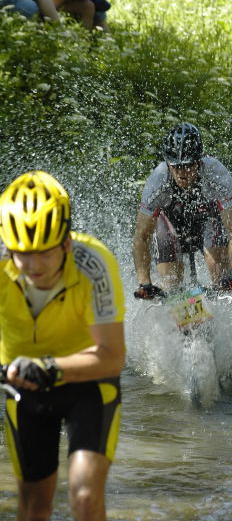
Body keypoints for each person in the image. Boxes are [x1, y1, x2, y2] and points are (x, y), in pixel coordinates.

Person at [0, 170, 125, 520]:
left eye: (44, 252)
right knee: (34, 507)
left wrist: (49, 368)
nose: (32, 265)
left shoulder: (94, 265)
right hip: (23, 388)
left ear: (67, 243)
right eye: (21, 253)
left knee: (84, 496)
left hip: (88, 383)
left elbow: (113, 357)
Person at [133, 122, 232, 297]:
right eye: (175, 166)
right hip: (170, 223)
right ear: (168, 164)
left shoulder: (216, 174)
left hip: (208, 220)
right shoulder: (158, 179)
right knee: (171, 283)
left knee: (221, 277)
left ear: (199, 162)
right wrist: (144, 283)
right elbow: (141, 236)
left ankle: (221, 312)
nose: (181, 172)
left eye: (187, 165)